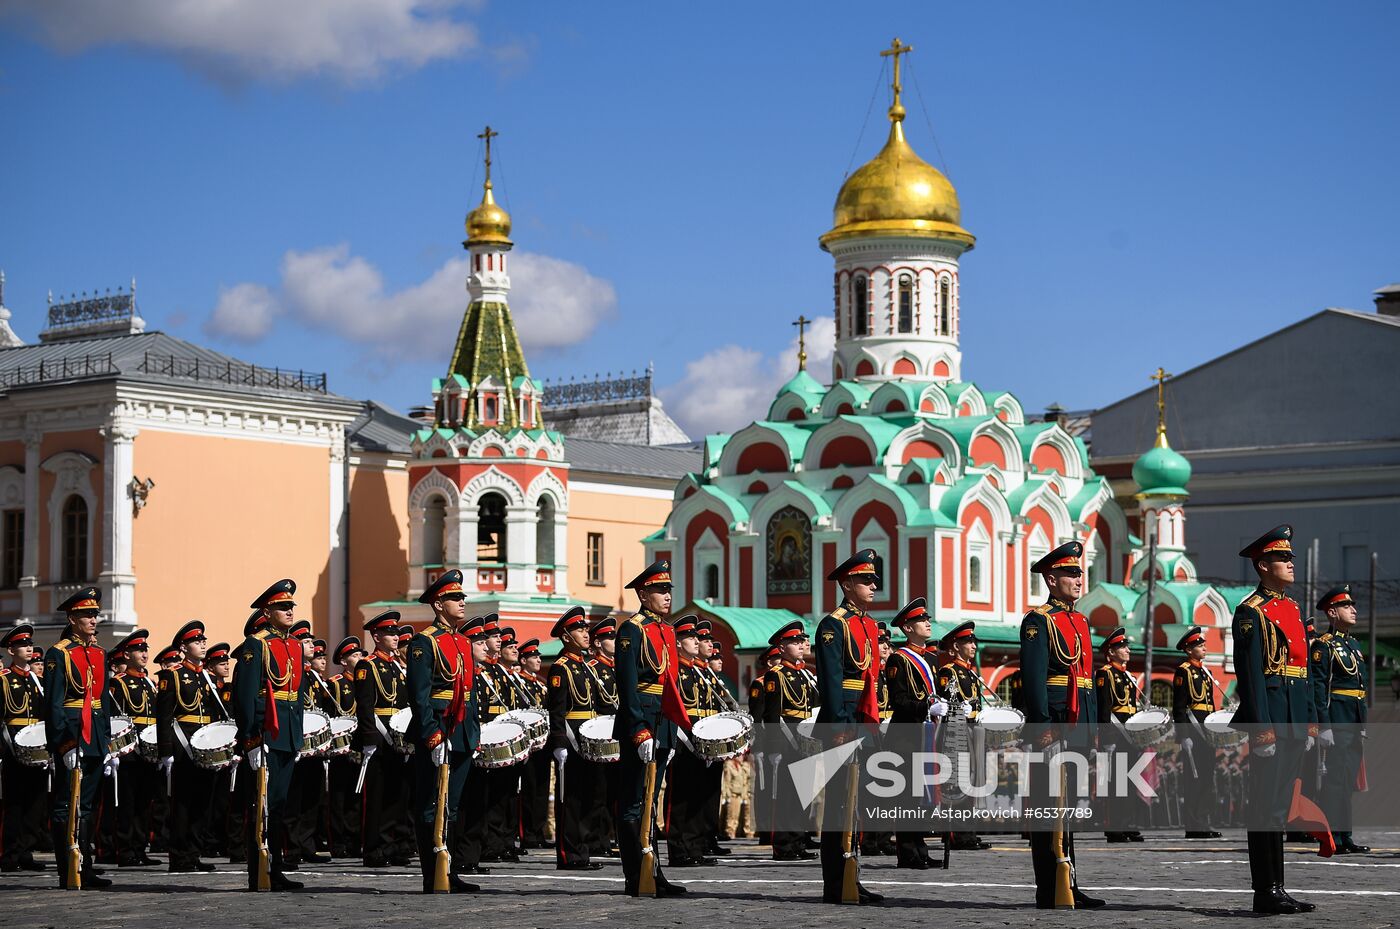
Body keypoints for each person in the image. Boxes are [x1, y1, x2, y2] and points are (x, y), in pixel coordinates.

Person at [1232, 525, 1318, 915]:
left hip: (1294, 715)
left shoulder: (1293, 609)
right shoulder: (1250, 612)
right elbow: (1249, 676)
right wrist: (1261, 729)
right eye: (1282, 559)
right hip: (1272, 716)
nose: (1290, 564)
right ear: (1263, 565)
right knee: (1265, 806)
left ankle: (1278, 888)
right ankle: (1264, 890)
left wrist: (1311, 720)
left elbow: (1305, 672)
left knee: (1279, 807)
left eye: (1290, 558)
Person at [1020, 541, 1104, 909]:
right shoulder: (1039, 621)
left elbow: (1086, 679)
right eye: (1071, 573)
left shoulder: (1080, 621)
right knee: (1047, 805)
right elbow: (1035, 682)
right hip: (1054, 723)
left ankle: (1068, 879)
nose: (1078, 578)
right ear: (1051, 579)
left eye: (1079, 572)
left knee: (1067, 806)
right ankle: (1049, 885)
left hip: (1078, 722)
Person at [813, 550, 885, 905]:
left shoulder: (868, 625)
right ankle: (835, 881)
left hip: (862, 718)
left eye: (873, 580)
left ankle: (852, 877)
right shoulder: (833, 625)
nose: (873, 585)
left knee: (856, 803)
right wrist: (842, 727)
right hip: (842, 720)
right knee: (839, 804)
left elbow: (871, 678)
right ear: (846, 584)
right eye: (866, 580)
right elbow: (831, 680)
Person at [614, 559, 690, 897]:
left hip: (662, 722)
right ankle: (636, 875)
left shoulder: (667, 630)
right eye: (659, 590)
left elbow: (671, 684)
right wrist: (639, 729)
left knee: (652, 802)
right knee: (634, 802)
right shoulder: (632, 630)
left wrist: (672, 729)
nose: (666, 596)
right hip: (642, 722)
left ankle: (654, 872)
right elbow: (628, 686)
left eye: (668, 590)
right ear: (643, 594)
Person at [405, 570, 479, 893]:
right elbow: (419, 696)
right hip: (438, 729)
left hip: (461, 731)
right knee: (430, 804)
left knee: (452, 805)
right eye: (455, 597)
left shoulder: (462, 641)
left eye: (462, 597)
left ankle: (447, 870)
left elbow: (469, 691)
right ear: (438, 604)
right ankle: (431, 872)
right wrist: (432, 735)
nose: (462, 602)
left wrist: (473, 734)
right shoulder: (425, 642)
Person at [232, 579, 306, 892]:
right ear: (268, 610)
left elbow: (297, 694)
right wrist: (250, 738)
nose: (289, 611)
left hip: (286, 734)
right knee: (260, 806)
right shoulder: (256, 645)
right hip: (264, 735)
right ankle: (259, 870)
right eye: (282, 606)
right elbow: (246, 696)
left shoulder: (294, 645)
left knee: (277, 805)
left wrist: (297, 736)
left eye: (291, 606)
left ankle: (275, 868)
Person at [44, 588, 115, 890]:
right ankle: (68, 868)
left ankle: (86, 865)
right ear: (72, 618)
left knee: (88, 805)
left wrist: (108, 741)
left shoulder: (98, 653)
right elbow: (54, 704)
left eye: (95, 614)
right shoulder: (58, 653)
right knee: (66, 803)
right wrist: (64, 744)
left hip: (95, 735)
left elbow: (104, 701)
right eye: (86, 614)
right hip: (73, 734)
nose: (93, 619)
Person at [157, 620, 229, 873]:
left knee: (202, 802)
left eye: (203, 641)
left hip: (205, 744)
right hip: (182, 743)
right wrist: (166, 751)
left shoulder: (207, 678)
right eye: (197, 642)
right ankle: (179, 856)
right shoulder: (172, 675)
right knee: (183, 803)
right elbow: (164, 715)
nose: (202, 644)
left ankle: (194, 853)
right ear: (183, 647)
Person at [884, 601, 948, 868]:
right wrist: (926, 706)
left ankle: (920, 848)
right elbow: (898, 701)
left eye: (928, 619)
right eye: (922, 621)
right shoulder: (898, 659)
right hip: (907, 735)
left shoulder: (931, 659)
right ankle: (907, 852)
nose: (928, 623)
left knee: (923, 793)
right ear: (908, 628)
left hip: (927, 732)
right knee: (908, 795)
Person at [546, 606, 606, 870]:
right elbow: (556, 710)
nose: (585, 633)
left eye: (585, 628)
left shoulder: (586, 667)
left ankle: (582, 852)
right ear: (566, 636)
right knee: (570, 800)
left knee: (589, 799)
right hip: (571, 740)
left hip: (590, 739)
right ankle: (568, 855)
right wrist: (559, 743)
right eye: (579, 629)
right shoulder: (561, 668)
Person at [1311, 584, 1369, 855]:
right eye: (1347, 606)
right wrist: (1325, 727)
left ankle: (1346, 835)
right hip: (1337, 719)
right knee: (1335, 781)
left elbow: (1360, 687)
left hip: (1353, 720)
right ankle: (1332, 835)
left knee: (1347, 781)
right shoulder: (1323, 646)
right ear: (1332, 612)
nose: (1353, 610)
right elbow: (1320, 689)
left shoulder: (1354, 644)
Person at [356, 612, 414, 868]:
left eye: (396, 633)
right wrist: (370, 739)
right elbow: (366, 706)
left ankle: (392, 844)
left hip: (398, 737)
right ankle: (373, 849)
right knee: (377, 797)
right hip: (379, 738)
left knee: (397, 796)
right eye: (390, 633)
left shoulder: (397, 667)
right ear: (376, 637)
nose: (395, 637)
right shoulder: (366, 666)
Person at [762, 619, 817, 861]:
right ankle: (783, 846)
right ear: (782, 647)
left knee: (802, 793)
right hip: (787, 736)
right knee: (786, 794)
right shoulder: (776, 675)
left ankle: (798, 841)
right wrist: (774, 748)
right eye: (794, 642)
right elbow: (772, 714)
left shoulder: (806, 674)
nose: (800, 645)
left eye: (800, 641)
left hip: (807, 736)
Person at [666, 615, 716, 867]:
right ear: (677, 642)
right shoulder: (674, 670)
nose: (697, 641)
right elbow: (673, 708)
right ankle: (677, 849)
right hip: (683, 741)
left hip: (702, 740)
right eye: (690, 637)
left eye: (697, 637)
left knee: (699, 795)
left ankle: (695, 847)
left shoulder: (698, 671)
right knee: (680, 797)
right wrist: (683, 738)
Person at [1, 623, 49, 872]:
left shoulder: (37, 681)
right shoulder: (5, 680)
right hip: (12, 748)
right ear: (11, 650)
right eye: (23, 645)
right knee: (15, 804)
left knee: (35, 803)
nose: (29, 648)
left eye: (30, 644)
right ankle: (9, 854)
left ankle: (25, 852)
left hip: (38, 747)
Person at [288, 635, 336, 867]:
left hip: (314, 744)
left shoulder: (312, 676)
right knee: (293, 798)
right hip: (297, 741)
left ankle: (307, 845)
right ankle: (290, 847)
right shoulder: (293, 672)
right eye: (307, 643)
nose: (313, 647)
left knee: (312, 797)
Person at [1096, 627, 1146, 843]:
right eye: (1122, 647)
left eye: (1126, 646)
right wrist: (1106, 739)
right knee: (1116, 784)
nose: (1127, 650)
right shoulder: (1105, 674)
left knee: (1131, 781)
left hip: (1130, 735)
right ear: (1111, 652)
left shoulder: (1128, 676)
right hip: (1116, 736)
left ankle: (1128, 823)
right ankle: (1114, 827)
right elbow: (1104, 709)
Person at [1172, 626, 1222, 839]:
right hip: (1193, 731)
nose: (1204, 648)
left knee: (1207, 777)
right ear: (1189, 649)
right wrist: (1183, 736)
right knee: (1193, 779)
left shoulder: (1206, 672)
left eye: (1203, 645)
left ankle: (1204, 821)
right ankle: (1193, 825)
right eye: (1199, 646)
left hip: (1207, 731)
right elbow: (1179, 707)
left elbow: (1210, 704)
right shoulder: (1183, 671)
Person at [585, 618, 620, 856]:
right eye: (609, 638)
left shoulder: (615, 668)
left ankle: (610, 837)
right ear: (598, 643)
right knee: (598, 792)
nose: (614, 641)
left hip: (617, 734)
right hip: (601, 736)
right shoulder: (593, 670)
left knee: (613, 793)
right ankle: (597, 839)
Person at [327, 636, 363, 860]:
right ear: (344, 660)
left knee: (357, 797)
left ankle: (355, 840)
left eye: (360, 654)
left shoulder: (367, 680)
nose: (360, 658)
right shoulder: (335, 684)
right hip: (341, 747)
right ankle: (338, 842)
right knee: (339, 796)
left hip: (361, 744)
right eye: (355, 655)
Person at [515, 638, 552, 850]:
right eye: (533, 657)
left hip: (542, 742)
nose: (538, 660)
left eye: (538, 656)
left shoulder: (540, 683)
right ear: (524, 660)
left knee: (541, 788)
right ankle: (526, 833)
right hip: (527, 742)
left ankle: (538, 830)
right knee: (527, 789)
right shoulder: (518, 682)